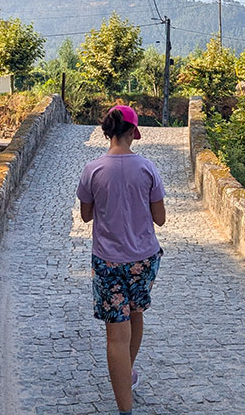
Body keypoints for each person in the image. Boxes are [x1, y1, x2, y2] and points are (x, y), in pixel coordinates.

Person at [77, 105, 166, 415]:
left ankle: (125, 407)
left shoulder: (93, 169)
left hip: (108, 260)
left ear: (108, 132)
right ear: (132, 133)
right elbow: (161, 219)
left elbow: (86, 216)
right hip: (144, 259)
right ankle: (127, 374)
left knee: (116, 332)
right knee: (136, 311)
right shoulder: (147, 168)